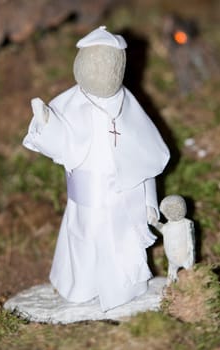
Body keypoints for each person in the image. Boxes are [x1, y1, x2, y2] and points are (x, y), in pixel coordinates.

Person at [23, 26, 170, 311]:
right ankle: (81, 287)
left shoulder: (129, 106)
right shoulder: (71, 103)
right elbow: (61, 145)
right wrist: (47, 124)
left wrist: (149, 201)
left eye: (111, 66)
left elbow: (144, 158)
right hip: (87, 198)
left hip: (122, 200)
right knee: (83, 241)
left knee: (122, 246)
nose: (104, 73)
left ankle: (125, 289)